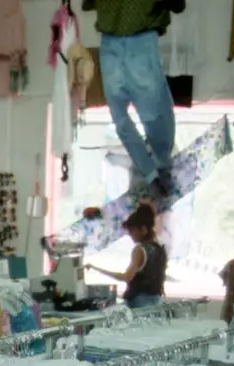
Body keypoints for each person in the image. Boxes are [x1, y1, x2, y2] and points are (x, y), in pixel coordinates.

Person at [82, 0, 182, 198]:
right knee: (157, 115)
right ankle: (159, 167)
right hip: (140, 43)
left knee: (121, 120)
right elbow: (178, 5)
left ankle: (152, 173)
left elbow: (87, 5)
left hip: (109, 46)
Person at [89, 202, 167, 308]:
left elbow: (127, 277)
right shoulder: (160, 250)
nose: (130, 235)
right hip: (157, 301)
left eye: (132, 231)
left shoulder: (140, 250)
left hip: (139, 302)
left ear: (143, 229)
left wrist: (97, 269)